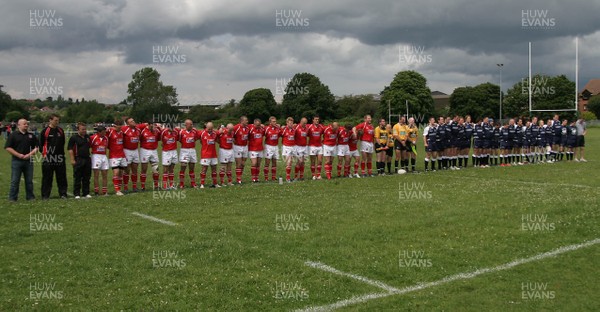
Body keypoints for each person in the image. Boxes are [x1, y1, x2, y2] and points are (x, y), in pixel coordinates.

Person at [5, 119, 38, 201]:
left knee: (29, 181)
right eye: (24, 124)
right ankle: (12, 198)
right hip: (16, 161)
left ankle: (30, 197)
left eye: (27, 124)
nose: (26, 125)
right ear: (19, 125)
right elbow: (8, 147)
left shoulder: (31, 135)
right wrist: (18, 155)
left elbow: (37, 147)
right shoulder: (13, 135)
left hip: (28, 161)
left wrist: (29, 155)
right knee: (15, 181)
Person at [39, 113, 68, 199]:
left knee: (62, 177)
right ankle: (45, 195)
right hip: (48, 158)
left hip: (60, 158)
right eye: (55, 120)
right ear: (50, 120)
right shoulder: (45, 131)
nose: (57, 122)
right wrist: (45, 155)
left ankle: (63, 194)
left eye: (58, 120)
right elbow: (41, 144)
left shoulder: (60, 131)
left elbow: (62, 143)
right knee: (47, 177)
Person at [67, 122, 92, 198]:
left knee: (87, 177)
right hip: (78, 159)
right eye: (82, 129)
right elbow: (70, 149)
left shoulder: (87, 137)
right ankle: (77, 193)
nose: (84, 131)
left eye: (85, 129)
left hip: (87, 159)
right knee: (77, 177)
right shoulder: (74, 138)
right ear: (78, 129)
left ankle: (86, 192)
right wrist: (72, 159)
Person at [178, 119, 200, 188]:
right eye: (190, 124)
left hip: (192, 150)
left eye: (192, 124)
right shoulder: (181, 132)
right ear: (186, 125)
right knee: (183, 167)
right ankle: (181, 184)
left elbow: (196, 138)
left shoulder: (194, 131)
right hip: (184, 151)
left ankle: (193, 183)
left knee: (192, 167)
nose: (192, 125)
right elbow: (179, 139)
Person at [138, 122, 160, 190]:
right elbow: (137, 128)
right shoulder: (143, 130)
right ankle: (142, 186)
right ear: (149, 125)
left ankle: (156, 186)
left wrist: (159, 127)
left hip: (154, 150)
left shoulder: (156, 131)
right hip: (145, 150)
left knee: (156, 169)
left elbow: (160, 137)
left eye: (154, 126)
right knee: (144, 168)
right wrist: (144, 124)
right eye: (152, 125)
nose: (153, 127)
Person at [122, 117, 141, 192]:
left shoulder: (138, 130)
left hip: (135, 150)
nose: (133, 122)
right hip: (127, 151)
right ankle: (126, 187)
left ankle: (134, 187)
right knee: (127, 169)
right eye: (131, 121)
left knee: (135, 169)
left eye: (133, 120)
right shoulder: (124, 129)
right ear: (127, 123)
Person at [199, 122, 220, 188]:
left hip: (213, 154)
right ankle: (202, 184)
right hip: (205, 154)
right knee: (204, 169)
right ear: (206, 127)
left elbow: (219, 134)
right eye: (209, 129)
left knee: (214, 169)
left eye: (211, 129)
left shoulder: (215, 133)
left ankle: (215, 183)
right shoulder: (202, 133)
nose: (210, 130)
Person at [107, 122, 126, 195]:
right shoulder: (110, 131)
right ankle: (117, 190)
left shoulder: (122, 132)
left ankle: (119, 189)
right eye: (118, 126)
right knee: (116, 172)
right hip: (114, 155)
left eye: (120, 126)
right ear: (114, 126)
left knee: (121, 173)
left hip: (122, 154)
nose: (120, 127)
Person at [159, 124, 179, 189]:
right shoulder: (163, 132)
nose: (173, 129)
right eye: (171, 128)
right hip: (166, 152)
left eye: (173, 127)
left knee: (172, 169)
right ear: (168, 127)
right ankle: (165, 186)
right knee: (165, 169)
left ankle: (171, 185)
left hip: (174, 151)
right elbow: (162, 141)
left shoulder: (176, 132)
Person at [90, 126, 109, 195]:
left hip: (104, 156)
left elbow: (106, 147)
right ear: (99, 132)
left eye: (105, 132)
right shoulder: (93, 137)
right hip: (96, 156)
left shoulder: (106, 138)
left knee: (105, 174)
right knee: (96, 175)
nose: (104, 133)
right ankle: (96, 191)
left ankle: (104, 191)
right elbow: (89, 146)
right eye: (103, 132)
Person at [233, 116, 250, 184]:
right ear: (242, 121)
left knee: (243, 163)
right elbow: (231, 135)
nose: (247, 121)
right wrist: (235, 143)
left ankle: (240, 177)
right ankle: (238, 179)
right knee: (239, 163)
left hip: (245, 147)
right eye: (246, 120)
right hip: (237, 147)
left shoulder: (247, 128)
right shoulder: (236, 127)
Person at [264, 117, 281, 181]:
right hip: (268, 146)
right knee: (267, 162)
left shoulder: (277, 128)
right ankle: (266, 178)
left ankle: (273, 177)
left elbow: (279, 135)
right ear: (270, 122)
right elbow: (263, 134)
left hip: (276, 146)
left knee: (274, 162)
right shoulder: (267, 128)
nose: (275, 122)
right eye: (273, 121)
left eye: (275, 121)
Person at [248, 118, 265, 183]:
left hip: (260, 148)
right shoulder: (250, 128)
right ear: (254, 124)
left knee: (258, 164)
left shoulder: (262, 129)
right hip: (252, 149)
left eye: (259, 125)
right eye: (257, 125)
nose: (258, 126)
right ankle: (253, 178)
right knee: (254, 163)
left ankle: (257, 177)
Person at [280, 117, 296, 182]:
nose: (291, 124)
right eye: (290, 123)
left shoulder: (294, 130)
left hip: (293, 147)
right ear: (287, 123)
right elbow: (278, 133)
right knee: (288, 163)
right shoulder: (284, 129)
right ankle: (287, 178)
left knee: (291, 162)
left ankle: (288, 177)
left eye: (292, 123)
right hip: (286, 147)